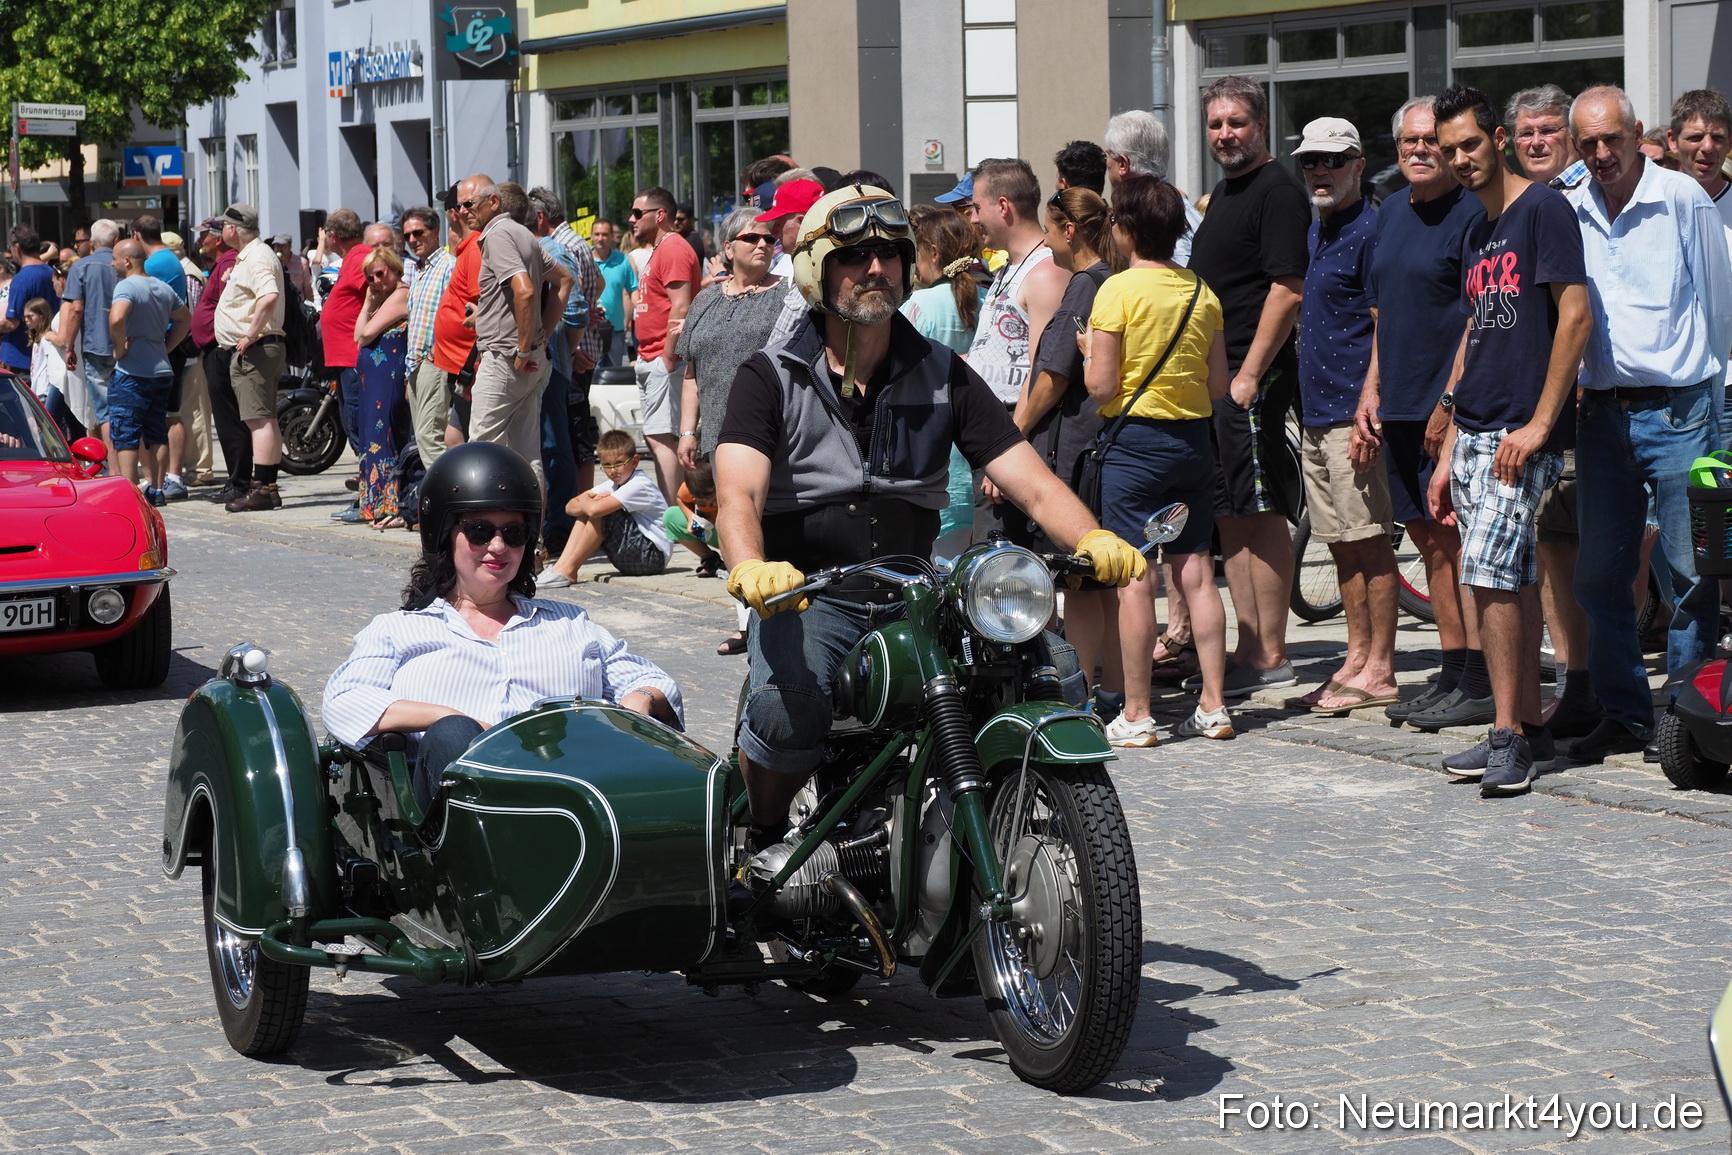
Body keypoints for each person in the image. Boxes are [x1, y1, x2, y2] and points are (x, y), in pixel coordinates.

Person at [713, 184, 1146, 843]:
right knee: (786, 705)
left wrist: (1092, 536)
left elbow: (1030, 482)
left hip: (916, 589)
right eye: (853, 255)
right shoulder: (769, 375)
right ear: (816, 269)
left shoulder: (944, 371)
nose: (875, 268)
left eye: (889, 253)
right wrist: (749, 565)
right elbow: (738, 493)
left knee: (1050, 668)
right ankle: (765, 839)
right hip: (806, 593)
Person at [321, 441, 681, 807]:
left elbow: (651, 680)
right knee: (452, 734)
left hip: (571, 798)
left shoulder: (570, 622)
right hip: (462, 815)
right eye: (479, 531)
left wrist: (640, 700)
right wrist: (448, 718)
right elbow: (344, 701)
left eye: (513, 533)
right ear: (443, 533)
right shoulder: (398, 630)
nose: (498, 546)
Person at [1427, 83, 1592, 795]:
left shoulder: (1543, 210)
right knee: (1508, 581)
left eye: (1470, 143)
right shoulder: (1477, 228)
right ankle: (1527, 725)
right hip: (1476, 429)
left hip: (1519, 432)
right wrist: (1447, 437)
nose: (1461, 158)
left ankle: (1506, 738)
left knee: (1491, 578)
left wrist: (1541, 423)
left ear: (1498, 138)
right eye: (1449, 150)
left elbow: (1576, 317)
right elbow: (1478, 330)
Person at [1565, 86, 1732, 765]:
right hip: (1601, 415)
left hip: (1680, 410)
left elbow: (1718, 307)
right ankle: (1626, 713)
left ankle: (1688, 720)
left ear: (1638, 135)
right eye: (1589, 143)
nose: (1602, 153)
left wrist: (1707, 401)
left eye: (1612, 138)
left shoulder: (1682, 199)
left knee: (1691, 577)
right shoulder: (1571, 204)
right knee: (1599, 576)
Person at [1348, 97, 1500, 734]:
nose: (1419, 150)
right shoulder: (1390, 213)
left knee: (1460, 543)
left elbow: (1478, 318)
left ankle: (1482, 678)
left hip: (1450, 408)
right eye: (1408, 141)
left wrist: (1449, 405)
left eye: (1430, 140)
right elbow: (1381, 313)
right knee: (1429, 542)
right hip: (1399, 407)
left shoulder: (1472, 214)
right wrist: (1371, 392)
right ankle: (1453, 667)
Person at [1080, 175, 1231, 746]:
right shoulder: (1202, 292)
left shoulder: (1116, 291)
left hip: (1135, 445)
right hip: (1193, 442)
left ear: (1124, 229)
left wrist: (1088, 353)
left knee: (1135, 574)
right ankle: (1214, 705)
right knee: (1197, 571)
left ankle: (1138, 713)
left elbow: (1100, 385)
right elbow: (1217, 385)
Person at [1187, 76, 1309, 696]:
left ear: (1261, 125)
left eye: (1236, 122)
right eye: (1216, 124)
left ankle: (1270, 652)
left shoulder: (1277, 191)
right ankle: (1248, 645)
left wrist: (1249, 376)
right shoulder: (1227, 193)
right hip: (1219, 380)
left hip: (1248, 379)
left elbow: (1287, 289)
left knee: (1259, 514)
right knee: (1230, 515)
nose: (1225, 134)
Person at [1290, 117, 1400, 717]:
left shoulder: (1370, 230)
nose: (1320, 170)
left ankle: (1380, 666)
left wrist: (1369, 403)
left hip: (1352, 414)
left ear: (1359, 165)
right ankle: (1357, 655)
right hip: (1317, 412)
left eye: (1333, 160)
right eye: (1310, 161)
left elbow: (1385, 324)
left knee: (1369, 541)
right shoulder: (1319, 227)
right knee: (1339, 544)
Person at [1504, 85, 1594, 727]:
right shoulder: (1517, 205)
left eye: (1549, 130)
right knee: (1555, 545)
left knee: (1608, 549)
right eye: (1527, 132)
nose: (1538, 142)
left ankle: (1607, 685)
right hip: (1542, 405)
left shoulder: (1591, 196)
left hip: (1597, 397)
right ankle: (1574, 681)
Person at [1026, 187, 1123, 716]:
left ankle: (1078, 694)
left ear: (1069, 230)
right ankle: (1114, 689)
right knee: (1107, 579)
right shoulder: (1110, 278)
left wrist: (1015, 432)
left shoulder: (1085, 285)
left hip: (1078, 451)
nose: (1044, 240)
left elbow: (1054, 376)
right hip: (1103, 445)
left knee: (1082, 581)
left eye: (1049, 228)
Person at [965, 157, 1069, 542]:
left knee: (1007, 567)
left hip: (1013, 430)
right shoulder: (1008, 268)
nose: (973, 218)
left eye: (977, 207)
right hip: (992, 428)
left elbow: (1044, 371)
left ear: (1003, 206)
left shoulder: (1045, 272)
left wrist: (1011, 446)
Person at [460, 173, 558, 495]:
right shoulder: (522, 233)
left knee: (482, 452)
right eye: (460, 206)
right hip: (522, 359)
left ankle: (485, 522)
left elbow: (525, 291)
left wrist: (525, 348)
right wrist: (538, 339)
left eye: (469, 204)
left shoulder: (499, 234)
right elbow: (564, 281)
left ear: (493, 202)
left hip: (507, 360)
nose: (462, 211)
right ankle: (531, 528)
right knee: (526, 455)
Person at [903, 204, 987, 559]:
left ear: (933, 253)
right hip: (980, 467)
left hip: (932, 466)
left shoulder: (918, 305)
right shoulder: (989, 300)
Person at [675, 206, 786, 469]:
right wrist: (687, 432)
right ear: (728, 248)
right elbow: (692, 374)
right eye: (752, 238)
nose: (763, 244)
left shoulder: (788, 294)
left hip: (771, 432)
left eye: (769, 239)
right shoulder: (705, 299)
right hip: (718, 434)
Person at [211, 204, 288, 513]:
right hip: (259, 348)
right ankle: (268, 488)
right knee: (264, 419)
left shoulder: (257, 256)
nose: (221, 232)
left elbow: (269, 296)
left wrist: (251, 334)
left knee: (260, 421)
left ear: (233, 229)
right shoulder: (252, 256)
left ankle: (261, 489)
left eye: (223, 226)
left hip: (257, 349)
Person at [629, 184, 702, 501]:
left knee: (664, 438)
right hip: (652, 356)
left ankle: (674, 512)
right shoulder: (661, 249)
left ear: (659, 215)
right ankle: (672, 510)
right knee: (657, 436)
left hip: (664, 358)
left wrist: (668, 356)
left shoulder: (673, 248)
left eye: (637, 213)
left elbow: (681, 305)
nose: (632, 219)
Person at [107, 238, 191, 503]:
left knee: (126, 433)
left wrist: (119, 349)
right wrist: (166, 347)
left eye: (114, 258)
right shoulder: (162, 287)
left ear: (127, 261)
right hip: (161, 370)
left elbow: (117, 317)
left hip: (132, 372)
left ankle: (130, 494)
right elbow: (185, 319)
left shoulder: (127, 286)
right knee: (156, 431)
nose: (112, 263)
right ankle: (156, 489)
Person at [540, 429, 671, 585]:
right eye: (607, 465)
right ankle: (560, 567)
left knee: (602, 512)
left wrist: (589, 501)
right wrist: (589, 502)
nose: (613, 471)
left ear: (635, 461)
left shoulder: (639, 484)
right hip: (633, 556)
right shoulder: (612, 484)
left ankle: (568, 570)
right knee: (587, 511)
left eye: (619, 463)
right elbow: (569, 507)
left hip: (652, 557)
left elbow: (594, 510)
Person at [354, 245, 412, 529]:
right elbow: (358, 336)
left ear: (394, 268)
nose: (376, 281)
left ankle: (391, 505)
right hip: (374, 383)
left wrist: (370, 309)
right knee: (373, 436)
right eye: (370, 277)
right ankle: (375, 505)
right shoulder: (381, 300)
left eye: (380, 273)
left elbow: (366, 333)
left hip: (388, 380)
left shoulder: (401, 294)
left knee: (386, 436)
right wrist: (368, 302)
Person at [1102, 110, 1205, 266]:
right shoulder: (1161, 206)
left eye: (1109, 154)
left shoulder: (1160, 213)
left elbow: (1175, 277)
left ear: (1123, 164)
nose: (1107, 162)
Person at [193, 217, 247, 504]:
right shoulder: (221, 263)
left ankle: (239, 481)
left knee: (229, 419)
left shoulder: (228, 262)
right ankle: (236, 479)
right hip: (215, 348)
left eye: (204, 235)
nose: (200, 241)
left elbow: (230, 306)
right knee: (226, 419)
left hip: (221, 349)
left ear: (218, 239)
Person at [57, 219, 119, 463]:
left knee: (105, 412)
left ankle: (115, 468)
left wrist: (69, 346)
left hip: (96, 345)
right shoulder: (126, 262)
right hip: (127, 346)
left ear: (92, 242)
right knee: (127, 409)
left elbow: (76, 309)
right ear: (116, 240)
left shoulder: (82, 266)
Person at [401, 205, 455, 468]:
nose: (412, 240)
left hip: (436, 361)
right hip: (416, 365)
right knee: (424, 436)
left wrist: (435, 353)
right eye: (407, 235)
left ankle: (448, 490)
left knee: (430, 435)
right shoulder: (419, 270)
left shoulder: (448, 266)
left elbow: (456, 315)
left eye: (418, 233)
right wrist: (410, 374)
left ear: (435, 232)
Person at [318, 208, 371, 462]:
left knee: (356, 417)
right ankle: (366, 476)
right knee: (350, 417)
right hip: (345, 356)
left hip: (353, 356)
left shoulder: (361, 257)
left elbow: (378, 294)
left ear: (333, 235)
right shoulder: (353, 257)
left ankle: (370, 477)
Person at [1669, 89, 1732, 250]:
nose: (1708, 147)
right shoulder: (1648, 208)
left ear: (1730, 143)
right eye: (1695, 138)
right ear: (1673, 142)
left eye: (1717, 137)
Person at [1, 227, 59, 389]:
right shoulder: (51, 272)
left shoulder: (22, 279)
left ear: (17, 248)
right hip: (46, 355)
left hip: (21, 358)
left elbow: (11, 323)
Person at [590, 219, 638, 367]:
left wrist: (636, 315)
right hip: (590, 328)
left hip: (616, 328)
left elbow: (633, 290)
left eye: (604, 234)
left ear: (612, 236)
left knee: (614, 372)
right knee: (592, 372)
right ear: (591, 236)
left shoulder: (622, 260)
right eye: (597, 234)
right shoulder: (584, 258)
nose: (600, 238)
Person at [663, 459, 723, 578]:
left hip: (736, 533)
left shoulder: (728, 486)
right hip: (714, 532)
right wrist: (690, 518)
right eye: (701, 502)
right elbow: (680, 498)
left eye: (712, 501)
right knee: (670, 516)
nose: (707, 503)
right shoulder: (690, 488)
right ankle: (710, 558)